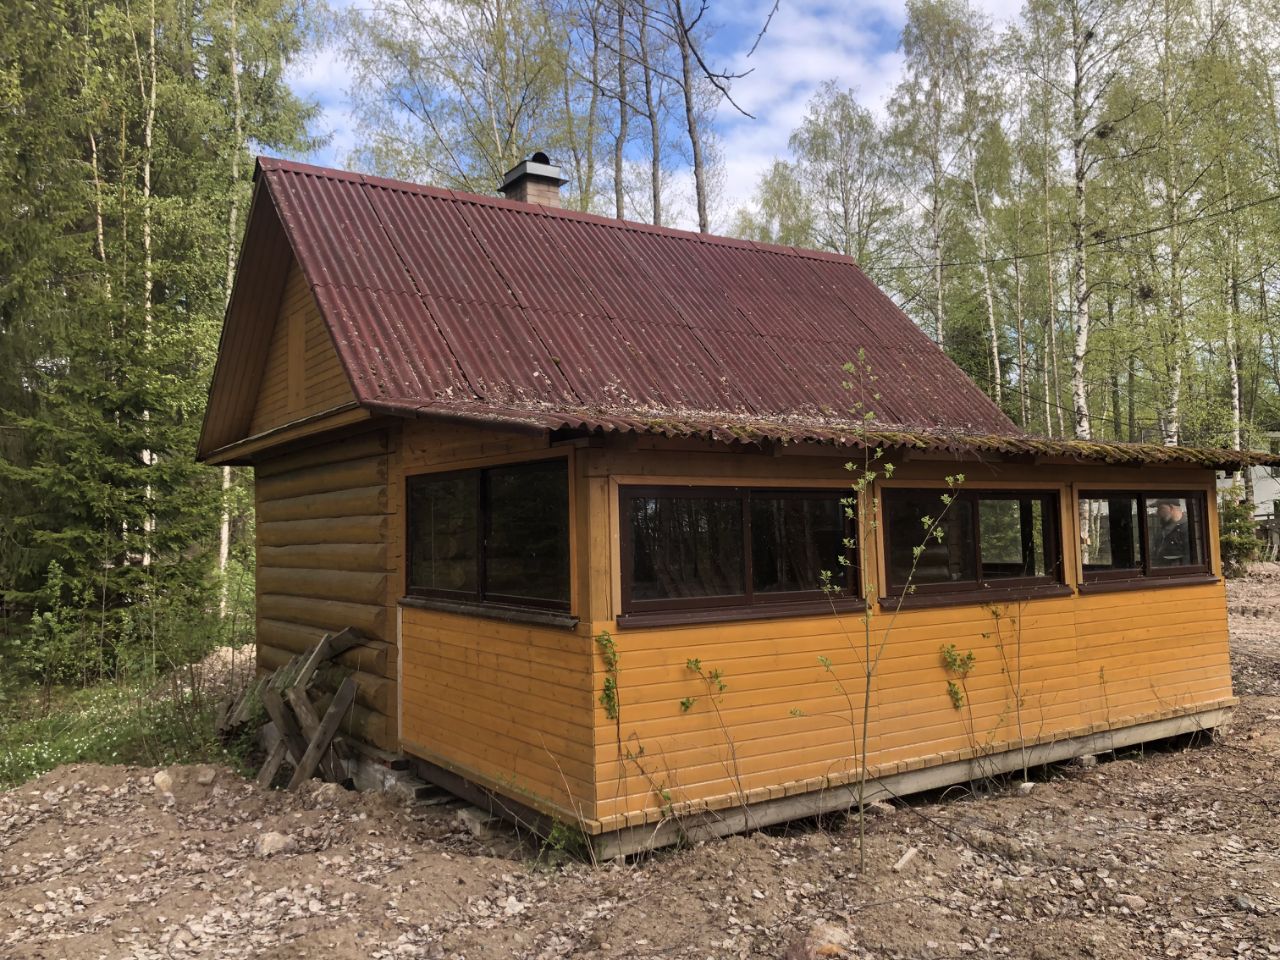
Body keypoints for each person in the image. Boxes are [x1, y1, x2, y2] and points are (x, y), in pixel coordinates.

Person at [1151, 498, 1191, 567]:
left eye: (1160, 508)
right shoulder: (1162, 528)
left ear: (1171, 507)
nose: (1157, 512)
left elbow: (1188, 558)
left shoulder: (1187, 527)